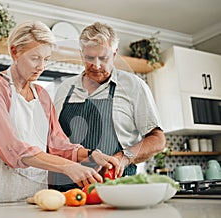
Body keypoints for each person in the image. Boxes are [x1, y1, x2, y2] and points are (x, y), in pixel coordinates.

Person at [0, 21, 121, 203]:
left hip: (35, 188)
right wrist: (68, 166)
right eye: (35, 58)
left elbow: (58, 145)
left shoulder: (42, 95)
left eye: (46, 59)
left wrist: (92, 155)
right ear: (15, 52)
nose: (42, 66)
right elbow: (9, 146)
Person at [53, 22, 166, 190]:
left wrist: (124, 157)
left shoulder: (133, 86)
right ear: (81, 55)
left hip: (117, 188)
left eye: (103, 58)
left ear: (114, 54)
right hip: (65, 191)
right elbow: (54, 141)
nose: (96, 66)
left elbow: (157, 140)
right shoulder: (64, 89)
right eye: (90, 58)